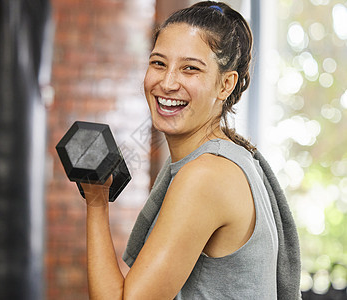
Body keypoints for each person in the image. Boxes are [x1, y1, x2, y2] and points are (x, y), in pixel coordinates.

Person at [81, 1, 301, 299]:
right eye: (159, 63)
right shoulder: (227, 159)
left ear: (226, 84)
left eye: (190, 69)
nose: (168, 82)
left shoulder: (205, 176)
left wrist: (97, 202)